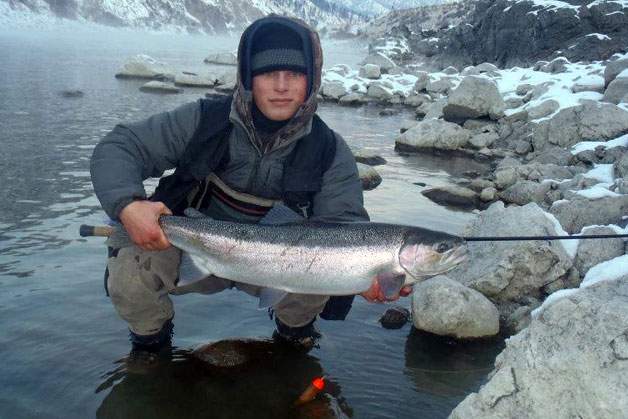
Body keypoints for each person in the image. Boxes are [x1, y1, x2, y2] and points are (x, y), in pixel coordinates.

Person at [90, 14, 411, 354]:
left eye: (295, 74)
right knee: (130, 270)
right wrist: (128, 205)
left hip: (280, 269)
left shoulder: (329, 152)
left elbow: (348, 231)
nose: (282, 86)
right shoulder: (205, 121)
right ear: (248, 77)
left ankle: (292, 343)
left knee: (323, 274)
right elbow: (120, 146)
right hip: (194, 248)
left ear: (312, 80)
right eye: (268, 73)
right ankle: (151, 350)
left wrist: (364, 278)